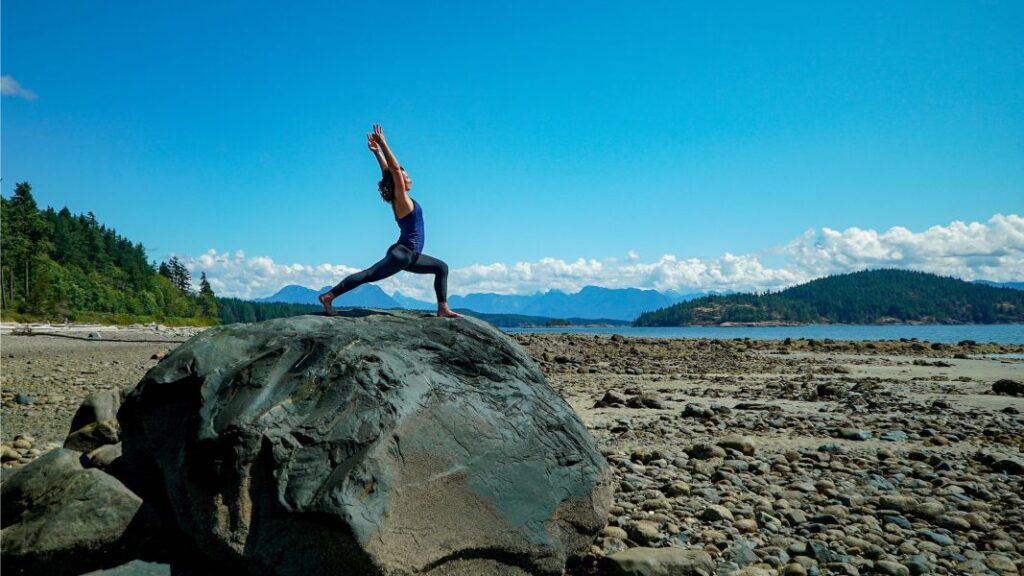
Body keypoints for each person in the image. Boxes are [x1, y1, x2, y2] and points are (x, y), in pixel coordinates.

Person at [319, 124, 461, 318]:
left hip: (411, 256)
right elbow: (393, 170)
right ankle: (329, 296)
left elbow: (389, 172)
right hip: (402, 254)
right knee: (369, 275)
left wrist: (377, 153)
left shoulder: (402, 199)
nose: (409, 178)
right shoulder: (401, 200)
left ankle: (443, 308)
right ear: (399, 182)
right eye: (406, 176)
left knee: (441, 267)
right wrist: (384, 143)